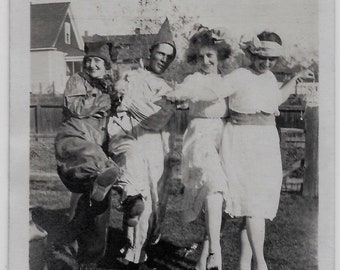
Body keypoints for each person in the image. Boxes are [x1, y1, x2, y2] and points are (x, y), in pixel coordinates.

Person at [166, 31, 314, 270]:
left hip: (266, 143)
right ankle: (261, 263)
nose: (266, 63)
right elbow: (212, 92)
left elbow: (275, 99)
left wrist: (294, 79)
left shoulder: (268, 78)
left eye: (271, 60)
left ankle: (245, 265)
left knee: (256, 209)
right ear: (250, 54)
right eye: (261, 58)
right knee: (252, 206)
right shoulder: (239, 75)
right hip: (242, 142)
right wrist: (182, 92)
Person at [105, 18, 177, 269]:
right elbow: (116, 102)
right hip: (128, 140)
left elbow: (156, 119)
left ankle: (137, 249)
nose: (164, 59)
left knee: (152, 202)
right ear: (151, 52)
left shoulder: (168, 89)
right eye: (160, 53)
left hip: (154, 145)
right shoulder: (131, 76)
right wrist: (124, 99)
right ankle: (130, 248)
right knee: (135, 195)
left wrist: (130, 104)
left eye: (169, 56)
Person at [167, 25, 238, 270]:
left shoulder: (228, 81)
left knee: (220, 198)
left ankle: (204, 258)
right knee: (213, 187)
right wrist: (178, 94)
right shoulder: (193, 80)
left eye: (211, 56)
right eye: (201, 56)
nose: (206, 61)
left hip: (224, 137)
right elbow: (183, 92)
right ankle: (216, 253)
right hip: (201, 136)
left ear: (220, 56)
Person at [54, 40, 121, 266]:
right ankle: (69, 248)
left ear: (106, 66)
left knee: (99, 205)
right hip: (77, 141)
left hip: (99, 146)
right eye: (89, 60)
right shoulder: (77, 80)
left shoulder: (109, 87)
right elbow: (76, 108)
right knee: (81, 198)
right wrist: (104, 100)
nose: (92, 65)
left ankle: (92, 256)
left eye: (98, 61)